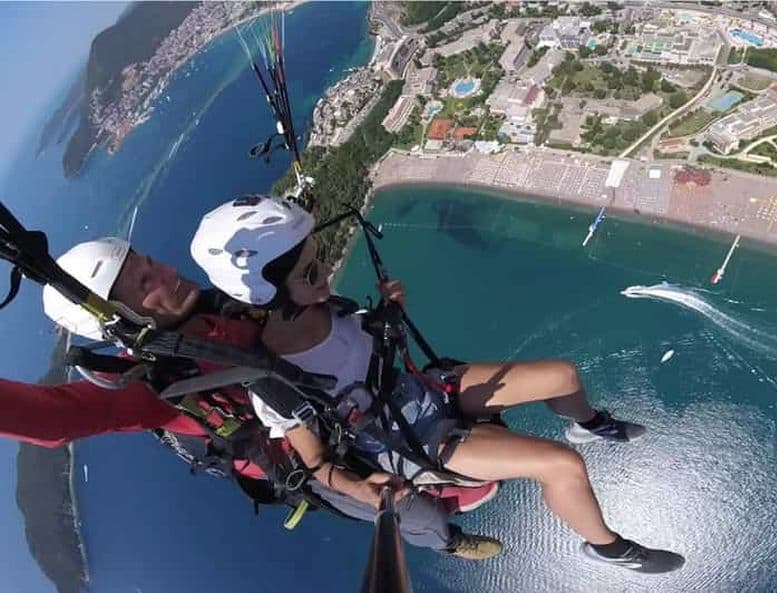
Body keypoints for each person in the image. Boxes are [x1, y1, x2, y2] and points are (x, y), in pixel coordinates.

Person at [190, 195, 685, 574]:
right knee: (561, 466)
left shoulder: (331, 308)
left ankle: (588, 423)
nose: (324, 276)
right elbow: (315, 463)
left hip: (424, 392)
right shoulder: (275, 383)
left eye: (320, 259)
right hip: (409, 439)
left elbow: (364, 348)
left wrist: (389, 313)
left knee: (562, 375)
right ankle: (608, 548)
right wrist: (360, 489)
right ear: (268, 293)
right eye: (311, 271)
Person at [1, 236, 500, 560]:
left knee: (451, 383)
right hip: (309, 458)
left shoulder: (221, 304)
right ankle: (449, 540)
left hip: (337, 400)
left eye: (150, 261)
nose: (167, 273)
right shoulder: (151, 386)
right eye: (145, 284)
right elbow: (53, 419)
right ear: (123, 321)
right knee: (410, 509)